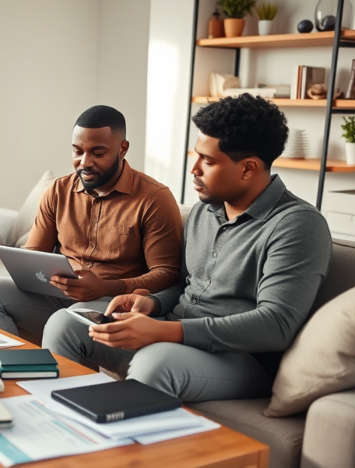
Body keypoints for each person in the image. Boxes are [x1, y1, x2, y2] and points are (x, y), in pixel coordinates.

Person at [43, 94, 333, 402]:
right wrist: (151, 303)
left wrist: (165, 332)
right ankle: (55, 418)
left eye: (208, 161)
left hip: (241, 357)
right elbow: (186, 285)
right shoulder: (204, 211)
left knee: (154, 363)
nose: (194, 169)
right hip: (176, 330)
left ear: (248, 168)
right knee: (67, 323)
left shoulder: (297, 225)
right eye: (196, 156)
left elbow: (276, 325)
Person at [0, 105, 183, 339]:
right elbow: (33, 255)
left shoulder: (154, 198)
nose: (84, 162)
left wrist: (106, 287)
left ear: (122, 149)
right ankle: (15, 360)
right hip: (58, 295)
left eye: (98, 153)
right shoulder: (58, 191)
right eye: (77, 151)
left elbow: (166, 273)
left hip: (112, 301)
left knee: (64, 321)